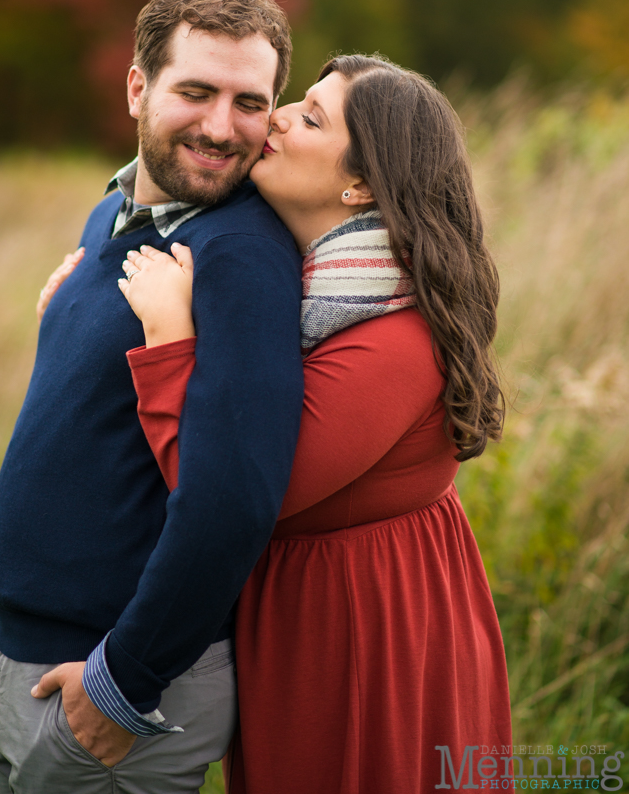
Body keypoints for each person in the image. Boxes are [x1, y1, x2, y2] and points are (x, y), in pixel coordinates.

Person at [110, 55, 513, 793]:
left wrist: (170, 338)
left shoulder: (397, 341)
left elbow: (231, 488)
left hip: (362, 630)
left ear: (358, 184)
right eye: (296, 100)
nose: (280, 118)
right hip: (312, 611)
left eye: (313, 117)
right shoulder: (308, 287)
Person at [0, 0, 306, 794]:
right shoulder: (118, 212)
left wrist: (123, 686)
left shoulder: (236, 257)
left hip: (114, 678)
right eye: (195, 91)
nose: (221, 127)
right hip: (36, 651)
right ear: (137, 86)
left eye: (249, 102)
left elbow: (232, 501)